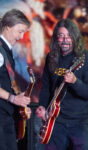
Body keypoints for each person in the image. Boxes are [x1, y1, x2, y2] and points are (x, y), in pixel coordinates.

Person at [36, 19, 88, 150]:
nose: (65, 40)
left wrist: (75, 82)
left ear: (75, 38)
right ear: (56, 38)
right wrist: (42, 106)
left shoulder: (86, 58)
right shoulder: (51, 57)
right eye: (61, 36)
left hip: (82, 121)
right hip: (57, 120)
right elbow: (46, 86)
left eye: (69, 36)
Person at [0, 9, 31, 150]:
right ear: (7, 26)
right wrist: (13, 99)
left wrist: (20, 105)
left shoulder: (5, 50)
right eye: (20, 31)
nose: (21, 36)